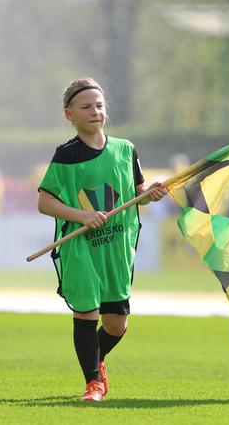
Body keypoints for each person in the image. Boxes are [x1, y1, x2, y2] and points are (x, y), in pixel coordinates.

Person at [37, 78, 167, 402]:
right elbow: (45, 201)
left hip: (117, 246)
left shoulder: (125, 149)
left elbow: (138, 195)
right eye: (86, 107)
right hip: (81, 248)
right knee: (86, 312)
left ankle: (98, 360)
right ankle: (93, 383)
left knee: (116, 325)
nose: (95, 111)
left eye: (99, 105)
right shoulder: (66, 155)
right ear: (70, 115)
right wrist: (82, 216)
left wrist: (151, 193)